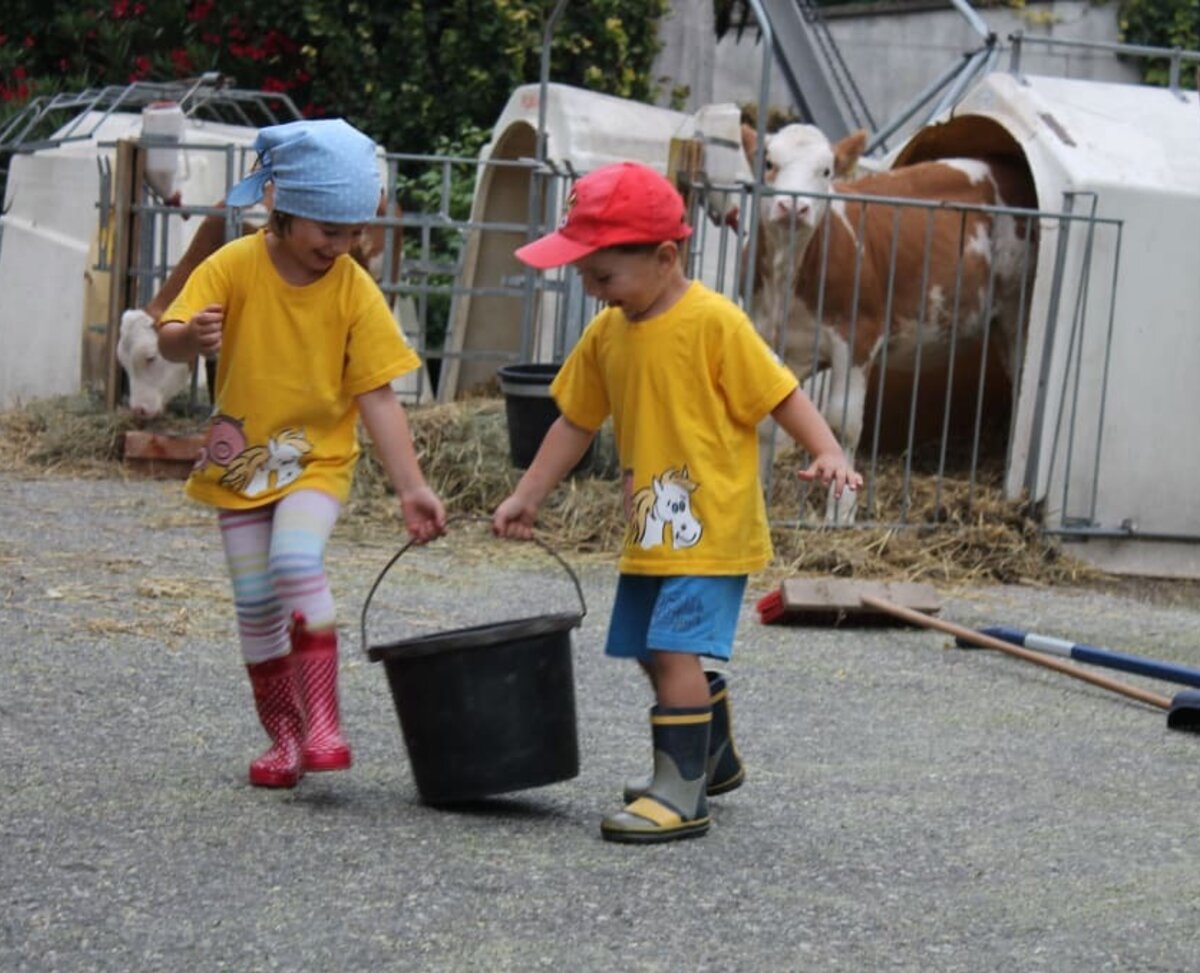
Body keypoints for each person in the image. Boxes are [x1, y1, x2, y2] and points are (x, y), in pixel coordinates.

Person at [492, 162, 862, 843]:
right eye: (583, 276)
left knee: (669, 650)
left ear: (665, 258)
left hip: (712, 527)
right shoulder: (608, 334)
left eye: (602, 276)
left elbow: (778, 391)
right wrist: (527, 495)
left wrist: (828, 449)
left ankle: (680, 790)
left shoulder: (714, 322)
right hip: (652, 530)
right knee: (645, 648)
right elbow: (575, 421)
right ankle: (709, 757)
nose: (591, 290)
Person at [157, 119, 447, 789]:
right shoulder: (232, 265)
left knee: (295, 559)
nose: (343, 246)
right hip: (239, 466)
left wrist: (411, 487)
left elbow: (376, 396)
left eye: (353, 232)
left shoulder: (352, 288)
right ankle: (282, 735)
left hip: (317, 460)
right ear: (278, 209)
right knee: (255, 602)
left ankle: (323, 721)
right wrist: (188, 338)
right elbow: (166, 335)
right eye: (328, 230)